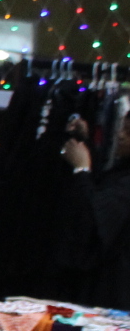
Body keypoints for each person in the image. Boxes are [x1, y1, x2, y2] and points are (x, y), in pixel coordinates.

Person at [59, 114, 130, 308]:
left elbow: (94, 220)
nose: (120, 135)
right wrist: (86, 142)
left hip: (112, 291)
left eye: (127, 131)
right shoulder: (122, 172)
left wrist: (81, 171)